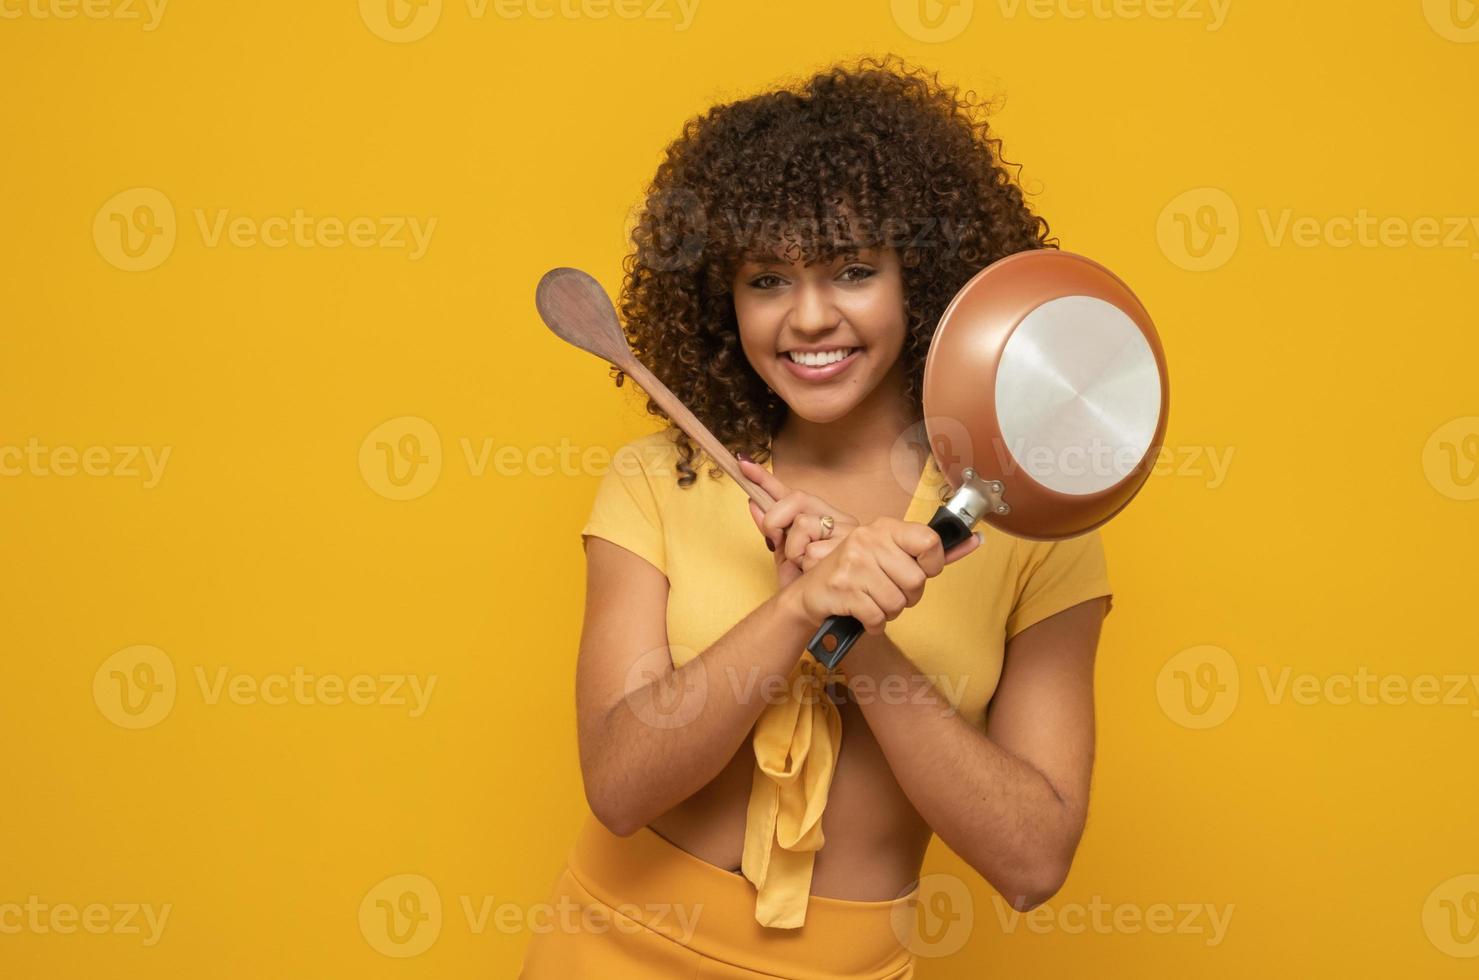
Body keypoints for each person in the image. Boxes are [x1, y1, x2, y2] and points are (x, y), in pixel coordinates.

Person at [519, 54, 1113, 979]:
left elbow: (1032, 861)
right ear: (721, 299)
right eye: (765, 280)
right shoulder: (654, 482)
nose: (807, 317)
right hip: (607, 952)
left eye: (850, 270)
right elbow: (619, 786)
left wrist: (858, 637)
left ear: (922, 277)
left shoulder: (1024, 517)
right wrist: (796, 609)